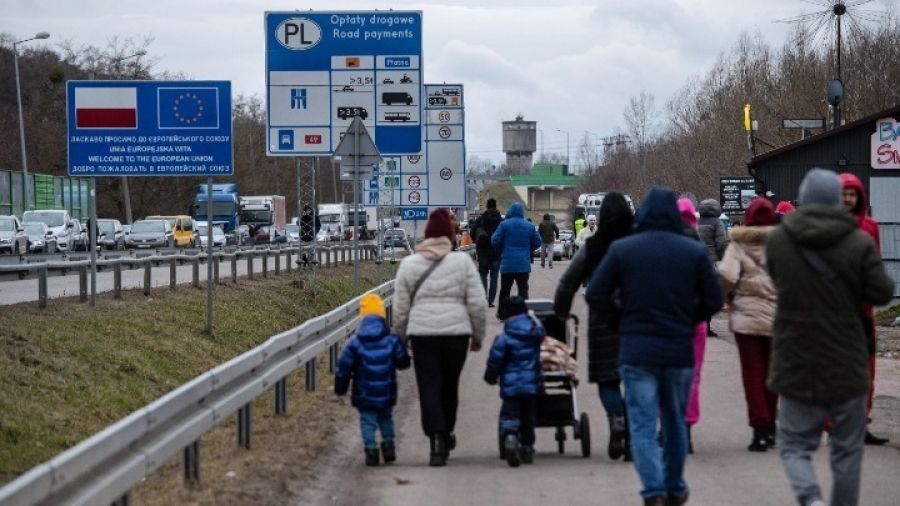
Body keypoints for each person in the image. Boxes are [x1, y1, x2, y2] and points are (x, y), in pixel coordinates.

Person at [587, 187, 723, 506]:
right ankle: (674, 485)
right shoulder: (692, 251)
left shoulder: (623, 249)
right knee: (674, 421)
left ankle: (653, 491)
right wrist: (689, 319)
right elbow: (715, 299)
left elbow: (595, 293)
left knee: (642, 424)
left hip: (637, 350)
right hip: (678, 350)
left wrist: (620, 322)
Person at [766, 169, 893, 506]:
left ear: (803, 199)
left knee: (793, 444)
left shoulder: (779, 241)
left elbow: (776, 280)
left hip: (795, 357)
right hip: (847, 359)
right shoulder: (859, 241)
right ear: (838, 200)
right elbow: (881, 292)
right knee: (847, 450)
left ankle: (811, 499)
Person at [392, 208, 487, 467]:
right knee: (449, 386)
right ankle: (447, 432)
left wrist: (400, 337)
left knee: (428, 386)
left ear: (426, 235)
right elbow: (477, 303)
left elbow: (400, 308)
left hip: (422, 335)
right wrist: (478, 335)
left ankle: (436, 439)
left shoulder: (409, 265)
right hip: (456, 335)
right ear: (449, 236)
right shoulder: (462, 263)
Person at [555, 192, 634, 462]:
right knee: (636, 381)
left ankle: (616, 419)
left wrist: (561, 313)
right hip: (637, 320)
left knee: (607, 378)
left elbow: (568, 282)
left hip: (603, 321)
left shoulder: (594, 246)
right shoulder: (639, 243)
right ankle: (632, 439)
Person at [717, 197, 779, 452]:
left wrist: (730, 296)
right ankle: (772, 427)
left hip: (746, 317)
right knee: (772, 374)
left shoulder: (738, 244)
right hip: (777, 317)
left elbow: (726, 274)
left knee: (753, 374)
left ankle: (759, 430)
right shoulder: (782, 245)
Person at [838, 172, 889, 446]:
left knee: (866, 369)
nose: (848, 199)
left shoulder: (870, 227)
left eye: (852, 194)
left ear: (859, 198)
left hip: (863, 309)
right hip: (835, 309)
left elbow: (876, 265)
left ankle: (861, 423)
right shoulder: (830, 227)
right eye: (844, 194)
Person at [335, 293, 411, 466]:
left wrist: (341, 387)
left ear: (361, 317)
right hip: (386, 391)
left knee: (367, 421)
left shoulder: (354, 343)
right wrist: (404, 362)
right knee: (386, 418)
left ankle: (371, 450)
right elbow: (402, 360)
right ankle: (389, 446)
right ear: (382, 315)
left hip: (364, 393)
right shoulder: (391, 340)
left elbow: (344, 367)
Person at [484, 296, 546, 467]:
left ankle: (511, 438)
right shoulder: (534, 334)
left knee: (510, 415)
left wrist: (490, 377)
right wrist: (532, 317)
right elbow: (542, 331)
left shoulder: (503, 339)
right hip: (531, 385)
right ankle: (527, 448)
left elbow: (494, 361)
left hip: (511, 387)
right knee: (528, 419)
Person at [677, 198, 708, 455]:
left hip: (668, 321)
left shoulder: (664, 249)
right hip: (695, 322)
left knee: (667, 374)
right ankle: (686, 428)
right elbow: (713, 294)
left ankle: (668, 426)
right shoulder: (699, 250)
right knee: (693, 375)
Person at [491, 202, 542, 320]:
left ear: (510, 211)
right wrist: (528, 249)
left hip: (507, 263)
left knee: (505, 290)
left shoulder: (504, 225)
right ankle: (523, 314)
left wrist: (501, 250)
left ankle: (502, 313)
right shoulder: (529, 226)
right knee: (523, 290)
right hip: (523, 264)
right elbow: (538, 241)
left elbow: (494, 240)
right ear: (522, 212)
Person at [698, 199, 728, 337]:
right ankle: (707, 325)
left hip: (698, 259)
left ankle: (699, 324)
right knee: (710, 293)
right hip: (712, 261)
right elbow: (721, 243)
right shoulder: (717, 223)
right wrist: (724, 257)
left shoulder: (697, 221)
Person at [470, 198, 503, 308]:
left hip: (483, 251)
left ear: (487, 206)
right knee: (494, 277)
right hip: (496, 252)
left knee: (483, 275)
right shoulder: (501, 220)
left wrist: (477, 243)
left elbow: (472, 232)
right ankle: (491, 301)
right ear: (495, 206)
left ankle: (483, 298)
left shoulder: (481, 219)